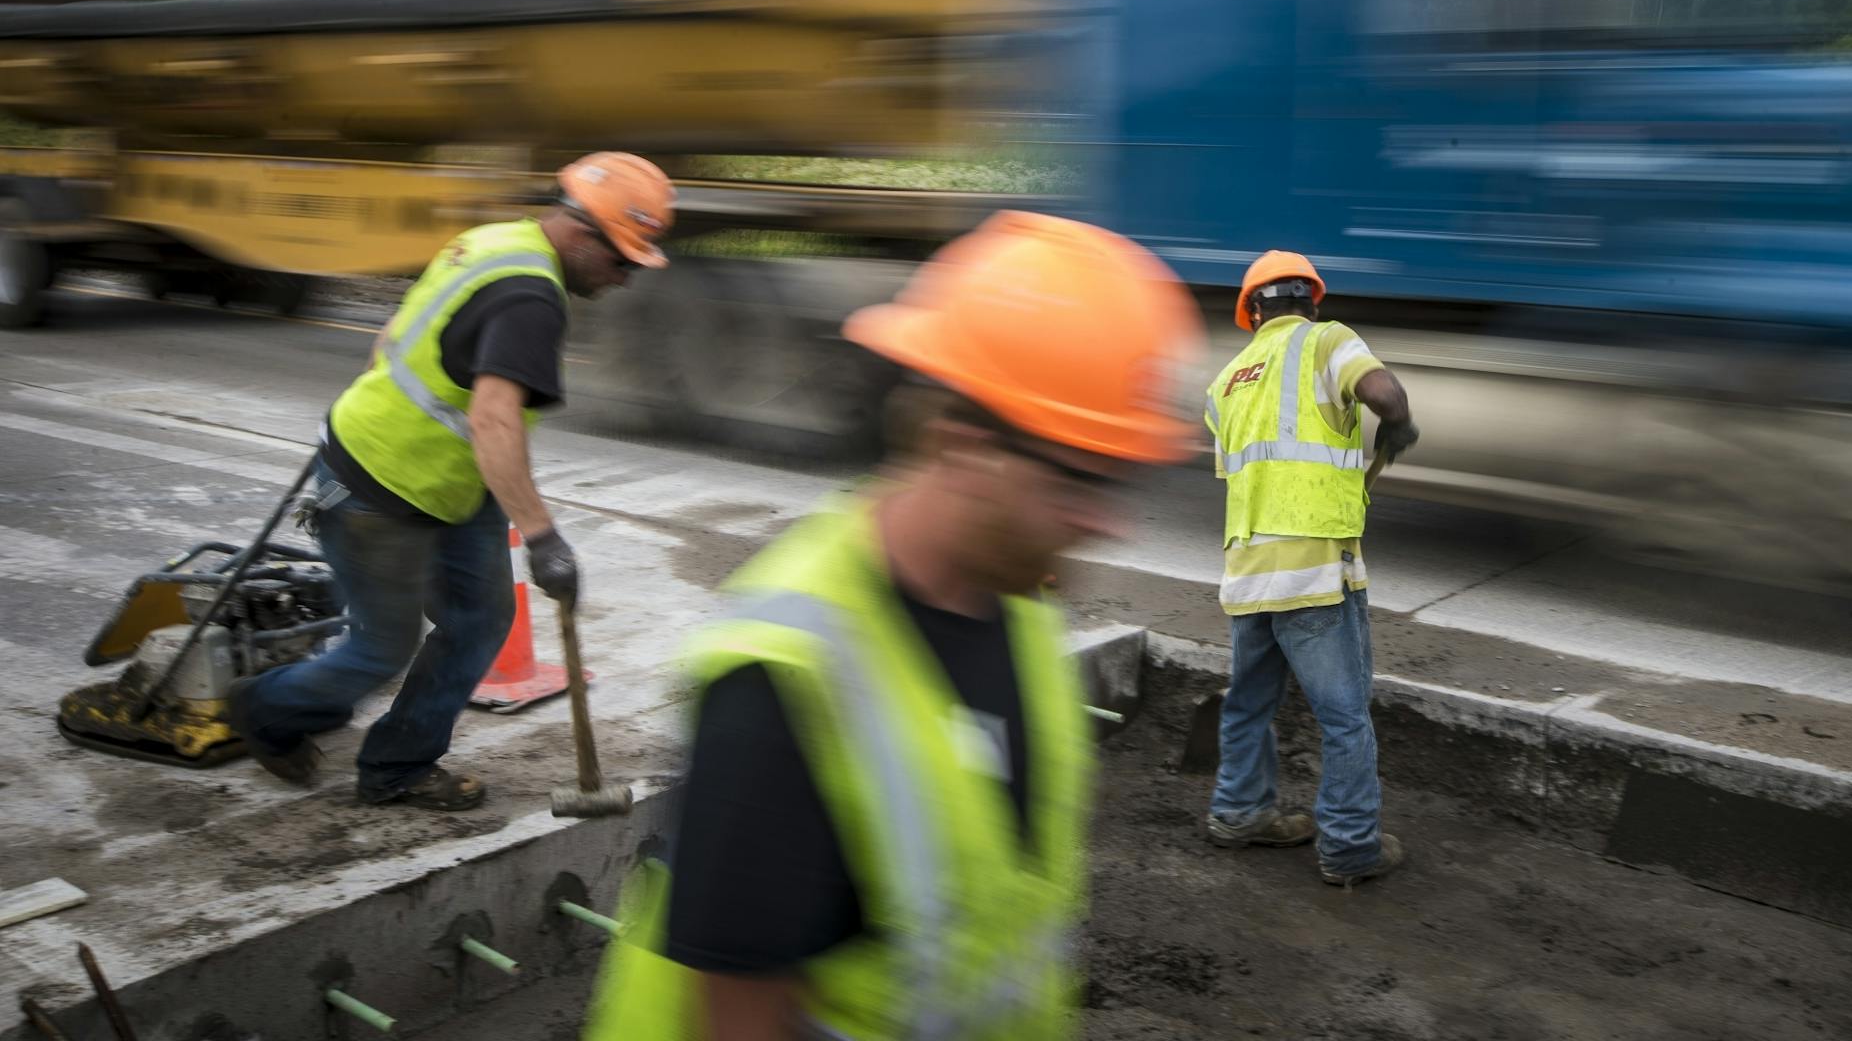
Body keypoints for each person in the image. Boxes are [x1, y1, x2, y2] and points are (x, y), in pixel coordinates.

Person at [582, 211, 1205, 1041]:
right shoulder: (785, 683)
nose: (1108, 522)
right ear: (961, 444)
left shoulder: (1012, 606)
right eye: (1077, 480)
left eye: (1117, 482)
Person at [227, 152, 674, 810]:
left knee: (482, 617)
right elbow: (496, 421)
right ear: (582, 233)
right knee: (381, 648)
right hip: (378, 487)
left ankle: (398, 764)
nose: (627, 278)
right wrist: (544, 538)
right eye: (623, 261)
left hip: (449, 484)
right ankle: (265, 709)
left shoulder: (497, 240)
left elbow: (392, 337)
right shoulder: (529, 299)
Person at [1200, 249, 1418, 886]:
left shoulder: (1226, 379)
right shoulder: (1327, 342)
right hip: (1315, 567)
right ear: (1311, 301)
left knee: (1248, 703)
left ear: (1252, 312)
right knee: (1345, 717)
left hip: (1248, 570)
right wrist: (1398, 424)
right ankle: (1350, 847)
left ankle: (1238, 813)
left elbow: (1243, 470)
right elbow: (1385, 392)